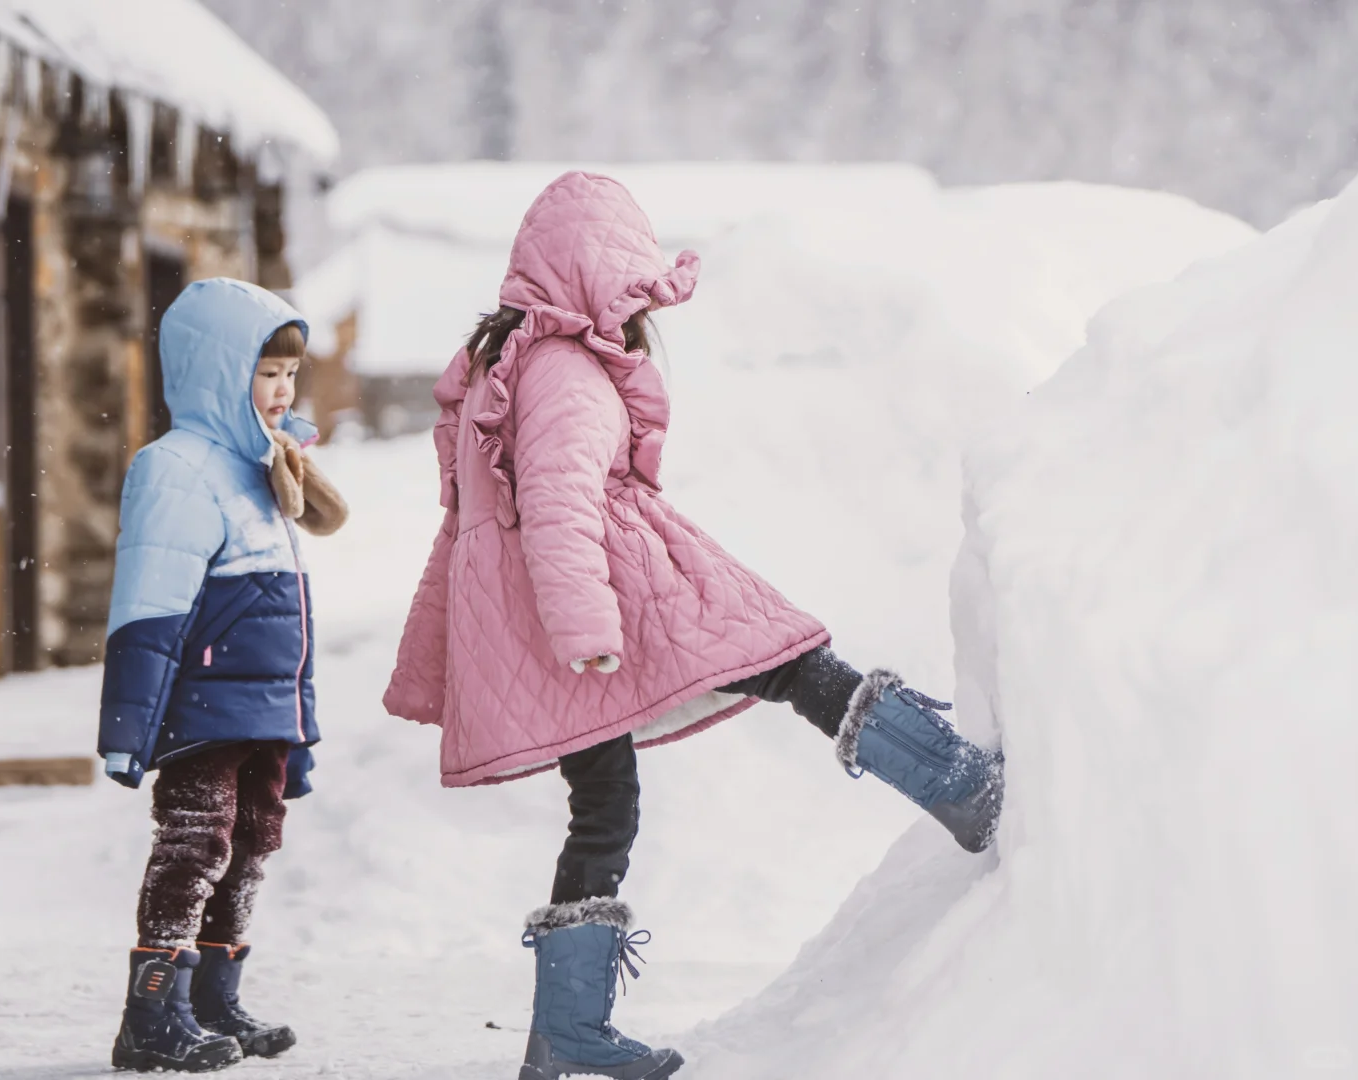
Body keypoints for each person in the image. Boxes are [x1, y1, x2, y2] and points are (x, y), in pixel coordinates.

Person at [384, 172, 1003, 1080]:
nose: (641, 308)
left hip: (553, 606)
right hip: (611, 592)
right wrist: (584, 625)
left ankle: (564, 1036)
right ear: (586, 276)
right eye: (630, 287)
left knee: (605, 806)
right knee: (790, 660)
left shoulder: (516, 356)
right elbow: (556, 504)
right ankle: (958, 783)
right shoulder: (560, 370)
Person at [97, 278, 348, 1073]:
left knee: (250, 846)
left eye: (291, 374)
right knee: (194, 847)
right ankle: (152, 1015)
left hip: (260, 709)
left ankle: (211, 999)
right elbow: (149, 605)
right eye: (266, 372)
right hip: (203, 706)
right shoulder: (175, 467)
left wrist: (296, 723)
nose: (283, 390)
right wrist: (128, 727)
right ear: (216, 370)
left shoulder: (265, 467)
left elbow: (286, 615)